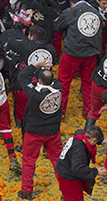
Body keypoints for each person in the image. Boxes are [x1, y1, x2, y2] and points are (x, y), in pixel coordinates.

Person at [15, 59, 64, 200]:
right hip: (53, 132)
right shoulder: (59, 89)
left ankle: (27, 191)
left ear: (39, 81)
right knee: (58, 161)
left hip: (34, 132)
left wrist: (35, 65)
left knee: (29, 161)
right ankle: (66, 189)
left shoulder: (34, 95)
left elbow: (22, 76)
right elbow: (53, 80)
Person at [54, 0, 103, 117]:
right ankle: (88, 111)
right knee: (87, 82)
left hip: (72, 52)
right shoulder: (96, 13)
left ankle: (61, 112)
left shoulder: (71, 11)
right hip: (91, 53)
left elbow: (57, 26)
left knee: (64, 81)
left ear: (72, 4)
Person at [55, 125, 107, 201]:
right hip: (69, 177)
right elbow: (78, 168)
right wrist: (96, 172)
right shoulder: (79, 150)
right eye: (95, 142)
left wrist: (101, 141)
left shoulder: (80, 133)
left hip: (63, 167)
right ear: (93, 140)